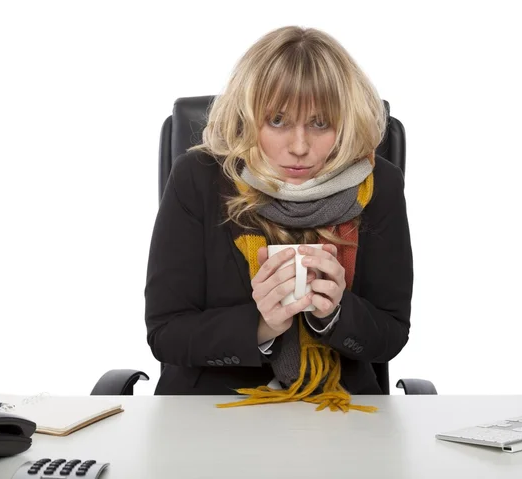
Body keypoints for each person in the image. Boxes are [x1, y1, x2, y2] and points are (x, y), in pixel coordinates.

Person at [144, 26, 413, 412]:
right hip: (211, 408)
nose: (299, 147)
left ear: (346, 121)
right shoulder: (198, 177)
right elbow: (166, 334)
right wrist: (262, 325)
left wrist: (336, 314)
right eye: (277, 121)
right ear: (247, 118)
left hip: (338, 408)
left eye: (320, 123)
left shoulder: (379, 184)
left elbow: (391, 333)